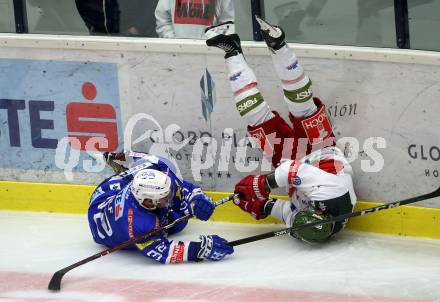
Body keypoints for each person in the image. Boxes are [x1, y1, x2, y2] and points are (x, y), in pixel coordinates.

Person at [205, 17, 357, 243]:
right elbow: (294, 173)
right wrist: (261, 185)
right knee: (302, 104)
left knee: (254, 115)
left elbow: (288, 213)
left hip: (287, 159)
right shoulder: (336, 197)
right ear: (319, 215)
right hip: (321, 150)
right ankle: (279, 46)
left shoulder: (302, 224)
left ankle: (232, 51)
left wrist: (264, 205)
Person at [88, 151, 234, 263]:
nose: (169, 197)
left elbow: (180, 187)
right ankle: (126, 168)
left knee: (157, 163)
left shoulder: (157, 179)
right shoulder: (140, 225)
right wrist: (200, 250)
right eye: (164, 197)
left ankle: (119, 158)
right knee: (179, 223)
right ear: (148, 202)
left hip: (109, 193)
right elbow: (164, 252)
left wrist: (196, 199)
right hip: (109, 214)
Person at [155, 0, 235, 39]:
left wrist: (214, 43)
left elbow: (229, 24)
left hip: (211, 55)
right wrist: (173, 41)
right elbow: (163, 19)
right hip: (176, 53)